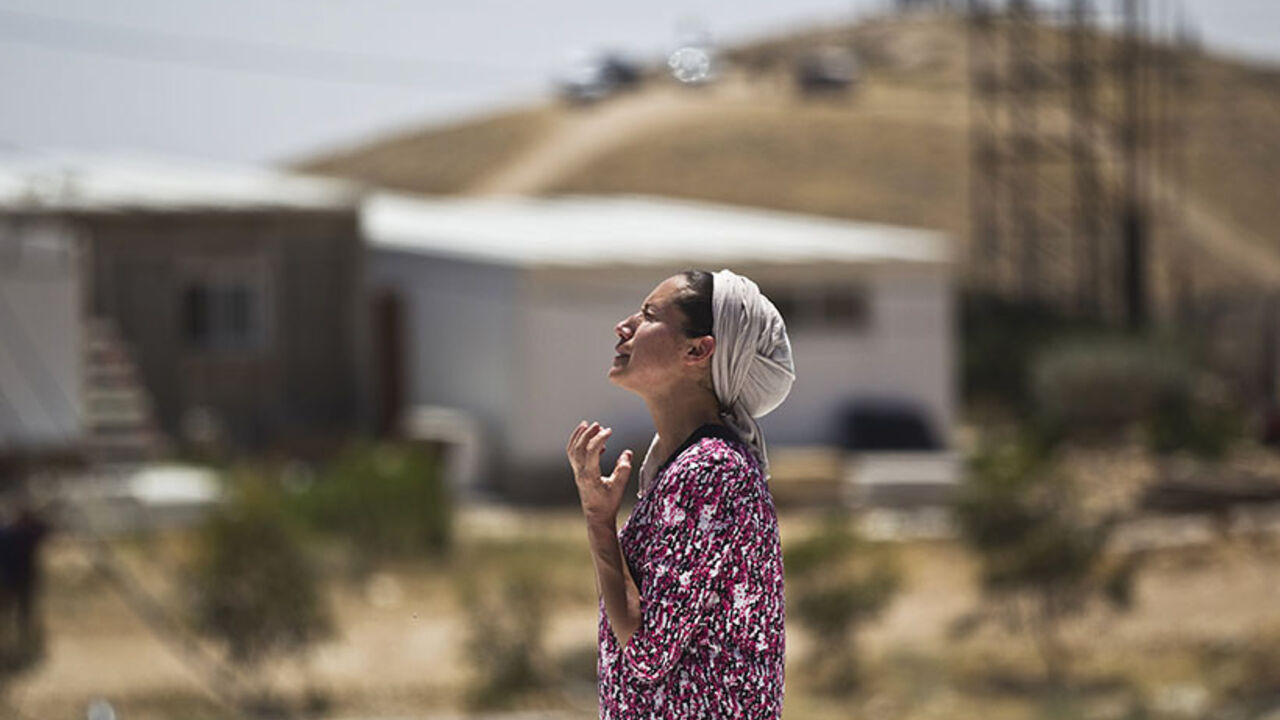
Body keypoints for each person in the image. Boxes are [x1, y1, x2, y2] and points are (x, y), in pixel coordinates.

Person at [566, 269, 795, 719]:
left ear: (698, 349)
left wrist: (598, 520)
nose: (624, 326)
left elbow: (647, 647)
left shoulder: (712, 472)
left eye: (649, 315)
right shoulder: (687, 469)